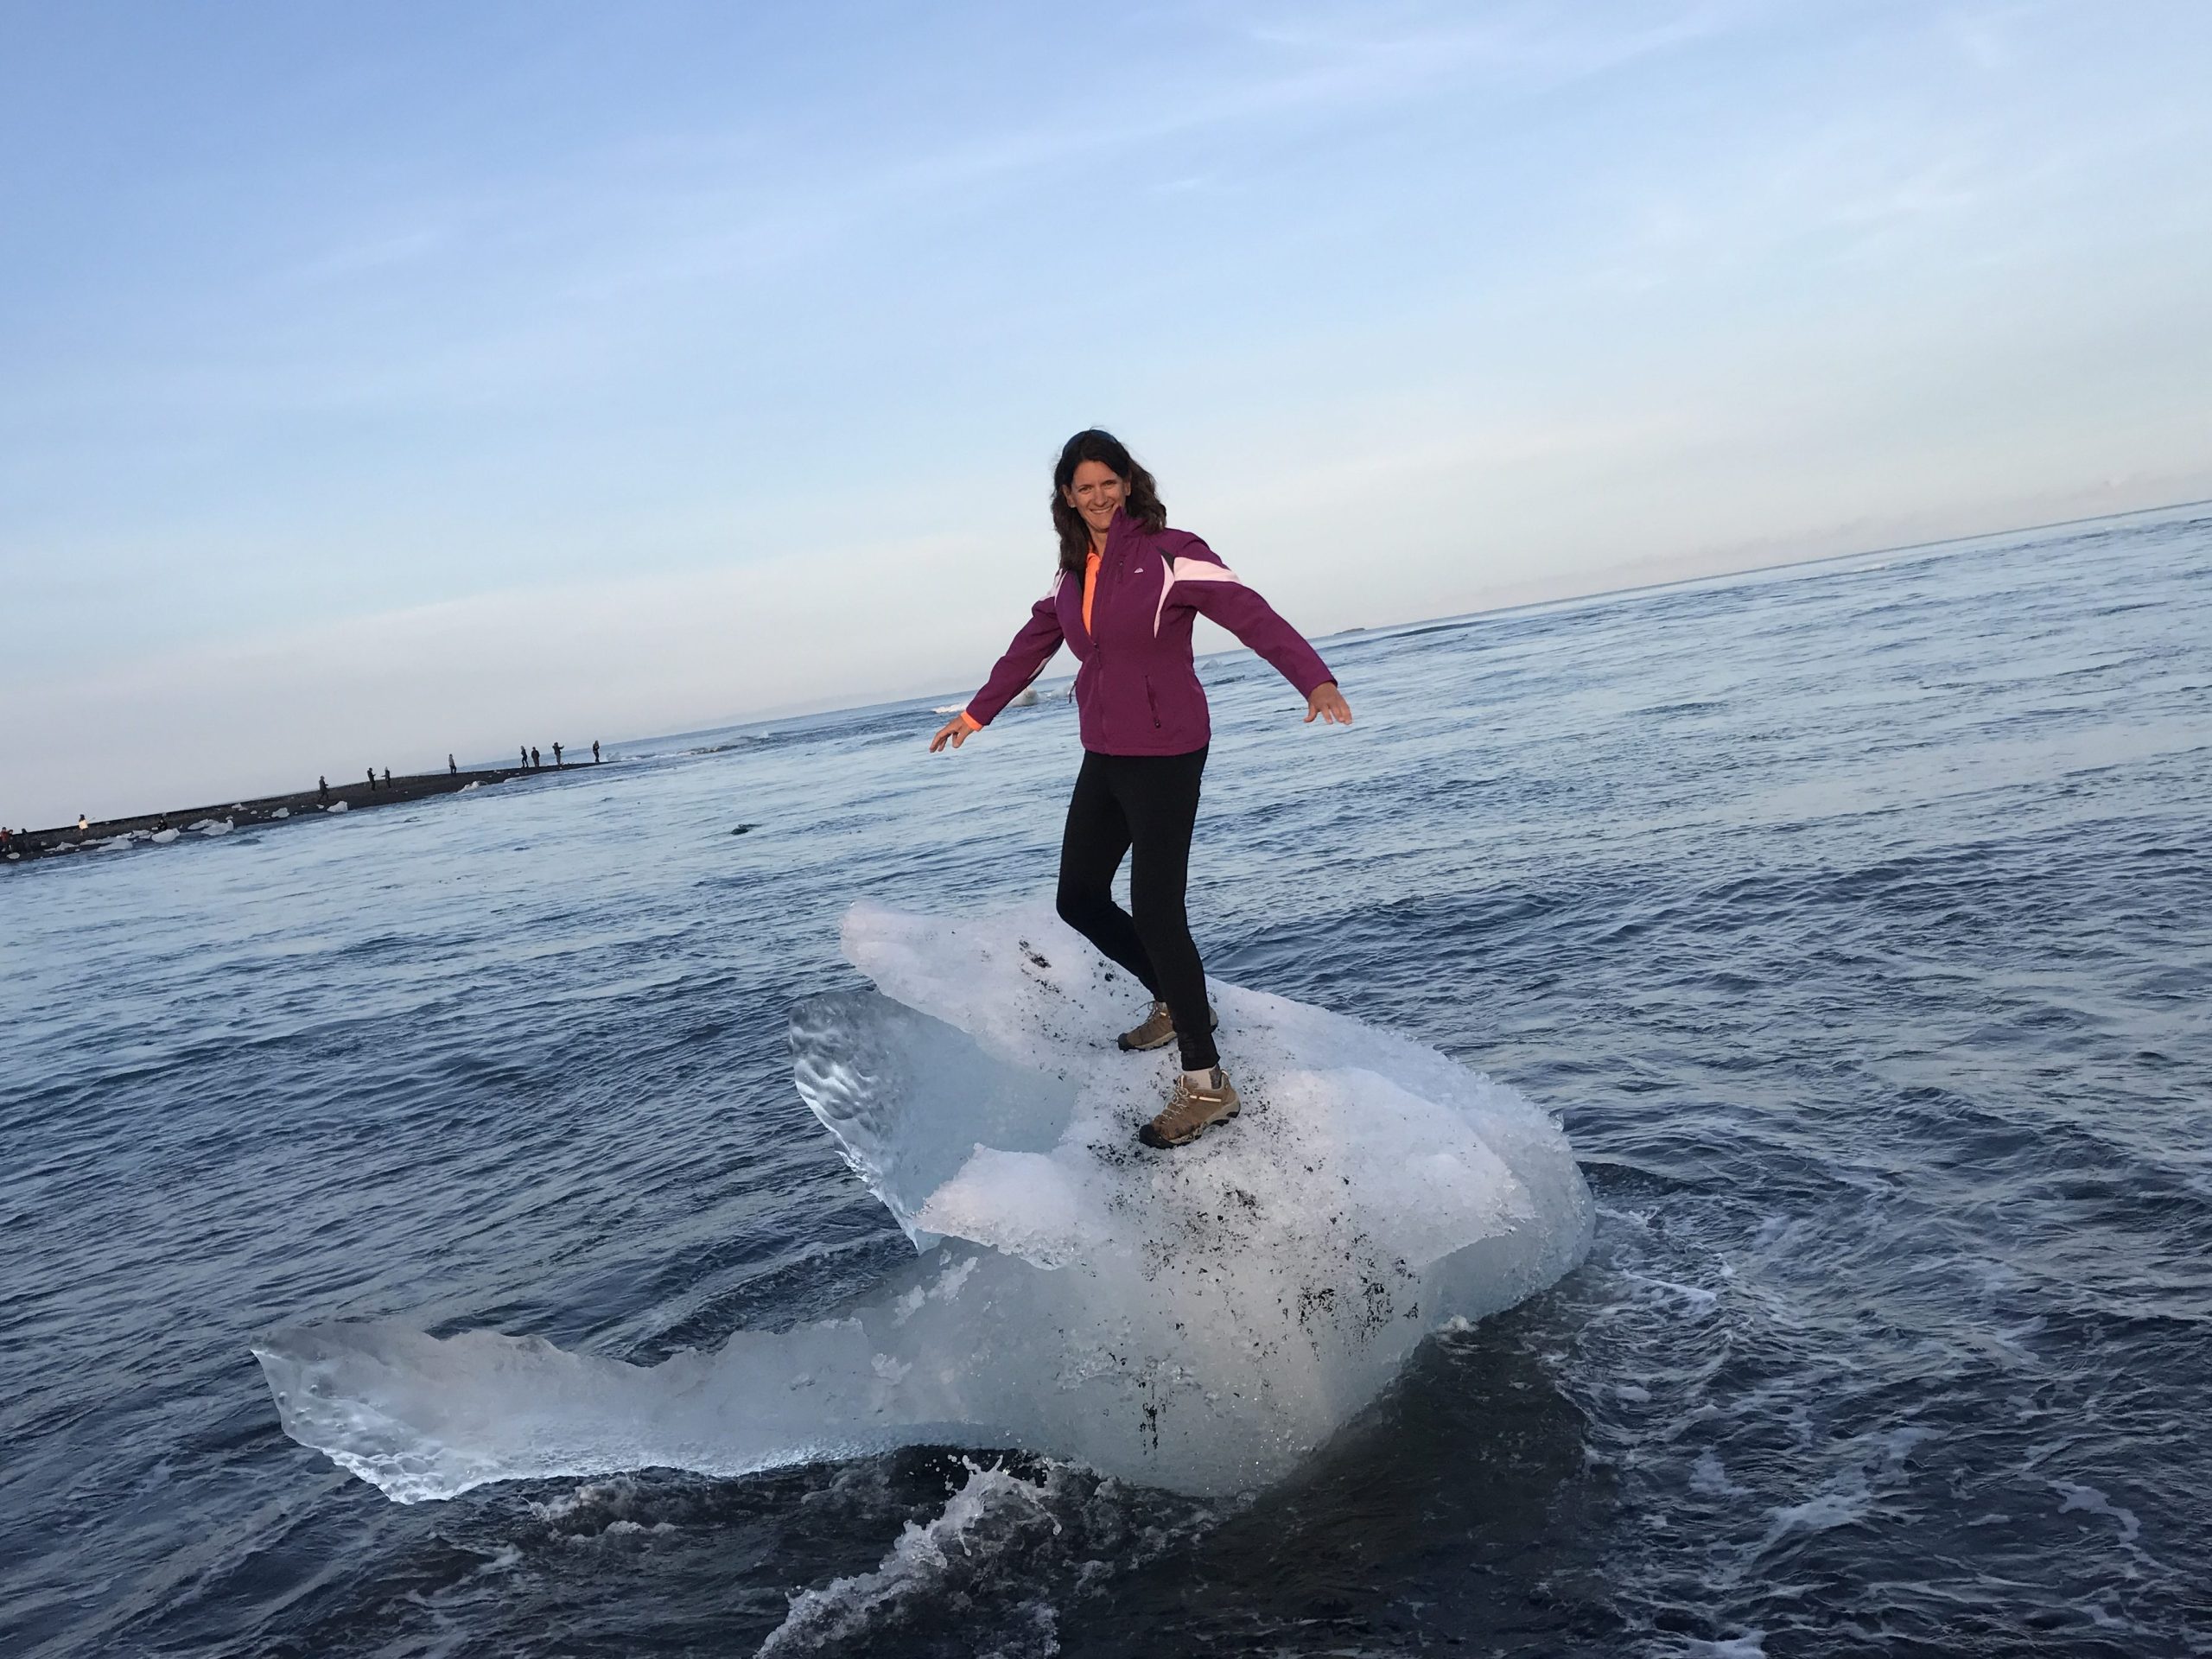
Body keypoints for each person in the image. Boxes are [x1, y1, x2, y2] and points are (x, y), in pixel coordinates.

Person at [930, 429, 1351, 1150]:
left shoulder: (1168, 552)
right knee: (1079, 897)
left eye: (1107, 482)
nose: (1096, 496)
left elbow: (1252, 613)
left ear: (1127, 483)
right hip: (1106, 748)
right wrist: (978, 711)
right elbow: (1032, 644)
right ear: (1067, 496)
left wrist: (1313, 678)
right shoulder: (1072, 575)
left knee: (1159, 908)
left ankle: (1206, 1083)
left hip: (1167, 748)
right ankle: (1173, 997)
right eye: (1082, 487)